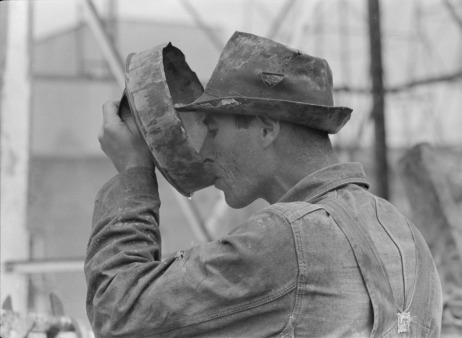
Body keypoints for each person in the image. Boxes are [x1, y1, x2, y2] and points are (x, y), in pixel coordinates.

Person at [86, 31, 442, 337]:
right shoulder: (408, 236)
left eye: (212, 129)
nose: (204, 150)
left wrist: (133, 172)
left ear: (266, 128)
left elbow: (117, 312)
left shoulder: (289, 238)